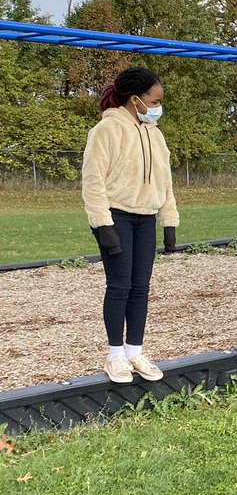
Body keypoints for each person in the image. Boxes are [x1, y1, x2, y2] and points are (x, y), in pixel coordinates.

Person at [82, 66, 179, 383]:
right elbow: (93, 182)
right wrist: (102, 224)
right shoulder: (105, 131)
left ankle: (134, 351)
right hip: (116, 216)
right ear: (135, 99)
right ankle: (115, 357)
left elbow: (165, 181)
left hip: (145, 217)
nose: (157, 107)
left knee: (140, 287)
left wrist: (169, 220)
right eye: (154, 101)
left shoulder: (155, 133)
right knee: (120, 286)